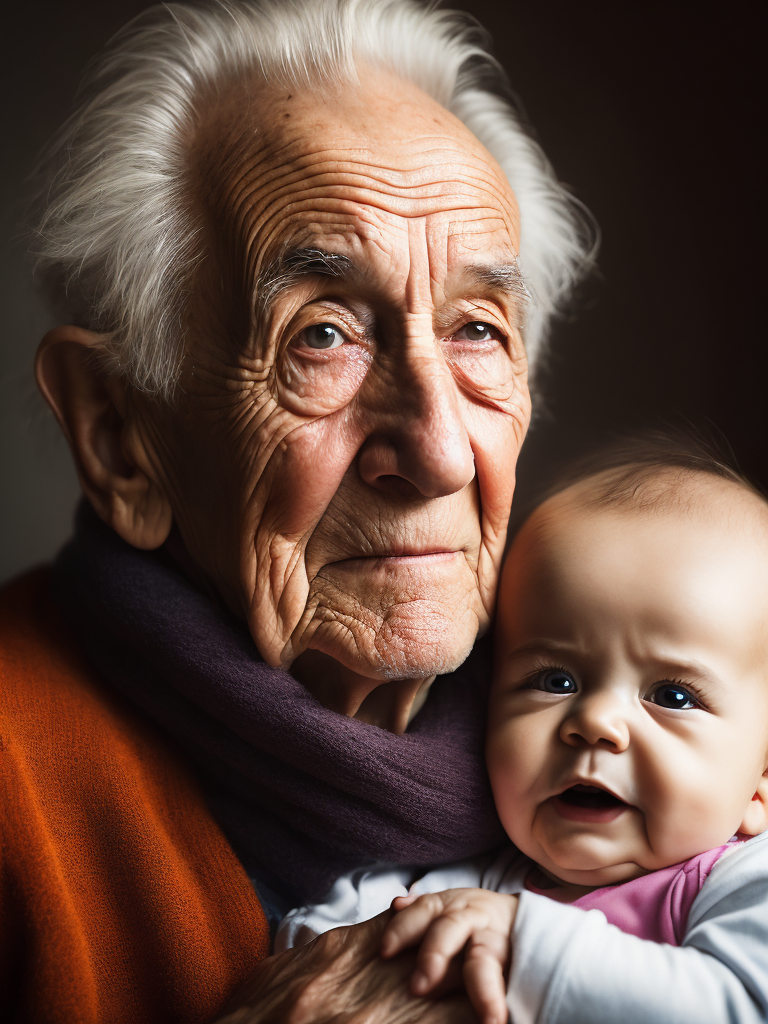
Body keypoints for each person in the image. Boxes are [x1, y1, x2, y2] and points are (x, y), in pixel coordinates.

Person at [1, 0, 595, 1021]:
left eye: (478, 332)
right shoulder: (19, 775)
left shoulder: (667, 735)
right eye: (321, 336)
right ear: (119, 437)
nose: (442, 452)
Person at [278, 440, 768, 1023]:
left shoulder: (736, 883)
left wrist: (523, 941)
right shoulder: (470, 876)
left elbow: (740, 1005)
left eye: (673, 696)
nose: (595, 724)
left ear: (762, 778)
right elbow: (319, 960)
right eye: (555, 680)